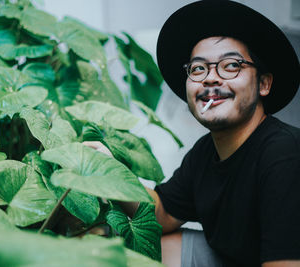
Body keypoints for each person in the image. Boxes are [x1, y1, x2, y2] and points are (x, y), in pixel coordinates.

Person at [85, 1, 300, 266]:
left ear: (264, 84)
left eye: (231, 65)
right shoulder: (205, 152)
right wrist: (110, 171)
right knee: (160, 248)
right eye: (198, 69)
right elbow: (162, 215)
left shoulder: (284, 155)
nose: (210, 78)